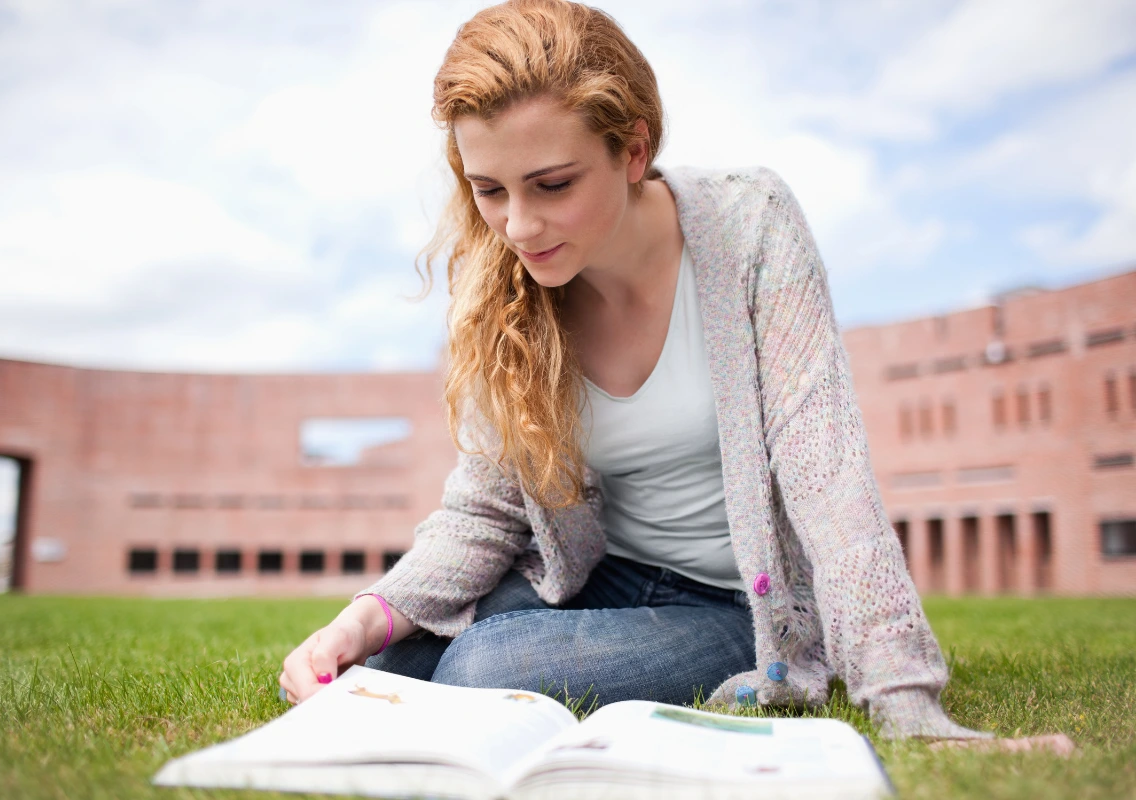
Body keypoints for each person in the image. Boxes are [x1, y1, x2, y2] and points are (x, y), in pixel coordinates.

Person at [279, 0, 990, 740]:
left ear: (633, 150)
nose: (519, 226)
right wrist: (363, 618)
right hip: (599, 579)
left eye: (552, 185)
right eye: (490, 190)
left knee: (485, 670)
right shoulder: (501, 284)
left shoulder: (752, 226)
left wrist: (904, 698)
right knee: (374, 673)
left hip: (736, 605)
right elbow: (487, 511)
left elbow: (827, 476)